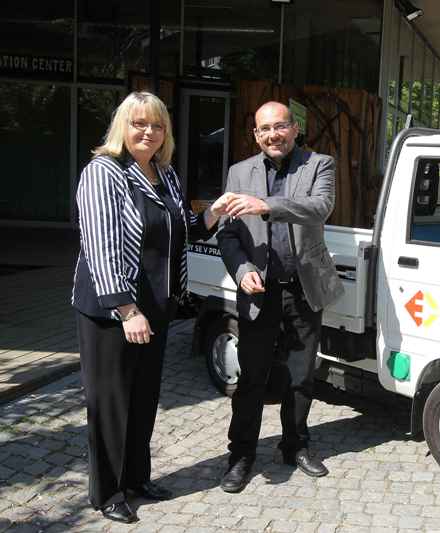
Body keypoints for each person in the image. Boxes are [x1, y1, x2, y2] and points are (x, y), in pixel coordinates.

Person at [72, 91, 231, 523]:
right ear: (123, 126)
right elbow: (101, 248)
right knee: (112, 402)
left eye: (157, 125)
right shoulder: (104, 172)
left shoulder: (165, 174)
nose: (149, 132)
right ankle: (108, 493)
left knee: (144, 399)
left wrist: (213, 213)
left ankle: (137, 479)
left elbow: (182, 232)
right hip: (113, 312)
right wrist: (127, 309)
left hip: (157, 309)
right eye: (139, 123)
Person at [216, 101, 344, 492]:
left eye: (281, 126)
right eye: (265, 129)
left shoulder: (318, 164)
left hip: (303, 291)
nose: (273, 134)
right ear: (256, 135)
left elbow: (320, 207)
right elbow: (227, 233)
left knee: (301, 378)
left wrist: (266, 205)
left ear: (295, 128)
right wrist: (241, 270)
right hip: (258, 295)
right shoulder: (239, 172)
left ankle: (296, 446)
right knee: (252, 379)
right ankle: (241, 456)